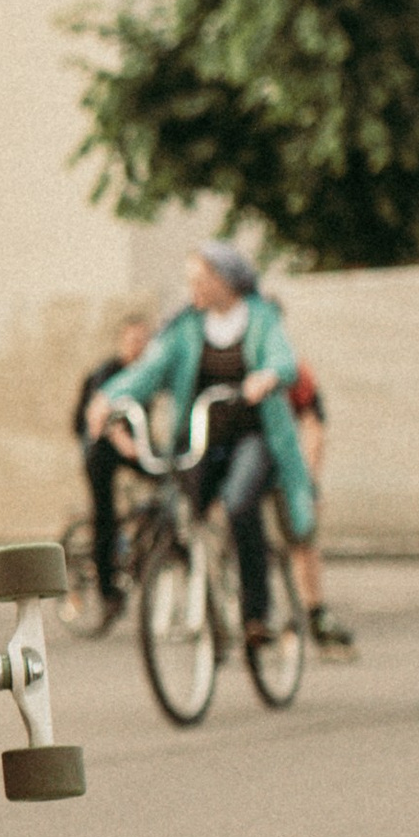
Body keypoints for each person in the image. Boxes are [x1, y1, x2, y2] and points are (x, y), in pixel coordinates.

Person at [87, 242, 314, 646]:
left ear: (222, 280)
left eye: (198, 278)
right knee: (180, 510)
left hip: (253, 435)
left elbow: (284, 359)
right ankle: (203, 591)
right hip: (200, 437)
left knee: (240, 503)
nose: (191, 286)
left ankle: (256, 616)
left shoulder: (259, 318)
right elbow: (149, 370)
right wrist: (108, 397)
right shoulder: (187, 327)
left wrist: (266, 377)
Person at [72, 311, 153, 614]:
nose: (138, 346)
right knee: (105, 515)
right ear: (122, 341)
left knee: (166, 477)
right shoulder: (108, 371)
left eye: (143, 341)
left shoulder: (145, 373)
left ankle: (148, 533)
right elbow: (103, 419)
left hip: (132, 447)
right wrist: (126, 445)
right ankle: (107, 592)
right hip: (101, 449)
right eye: (133, 340)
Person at [286, 363, 356, 654]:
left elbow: (313, 426)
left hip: (283, 463)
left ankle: (315, 614)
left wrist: (309, 483)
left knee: (302, 535)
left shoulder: (291, 369)